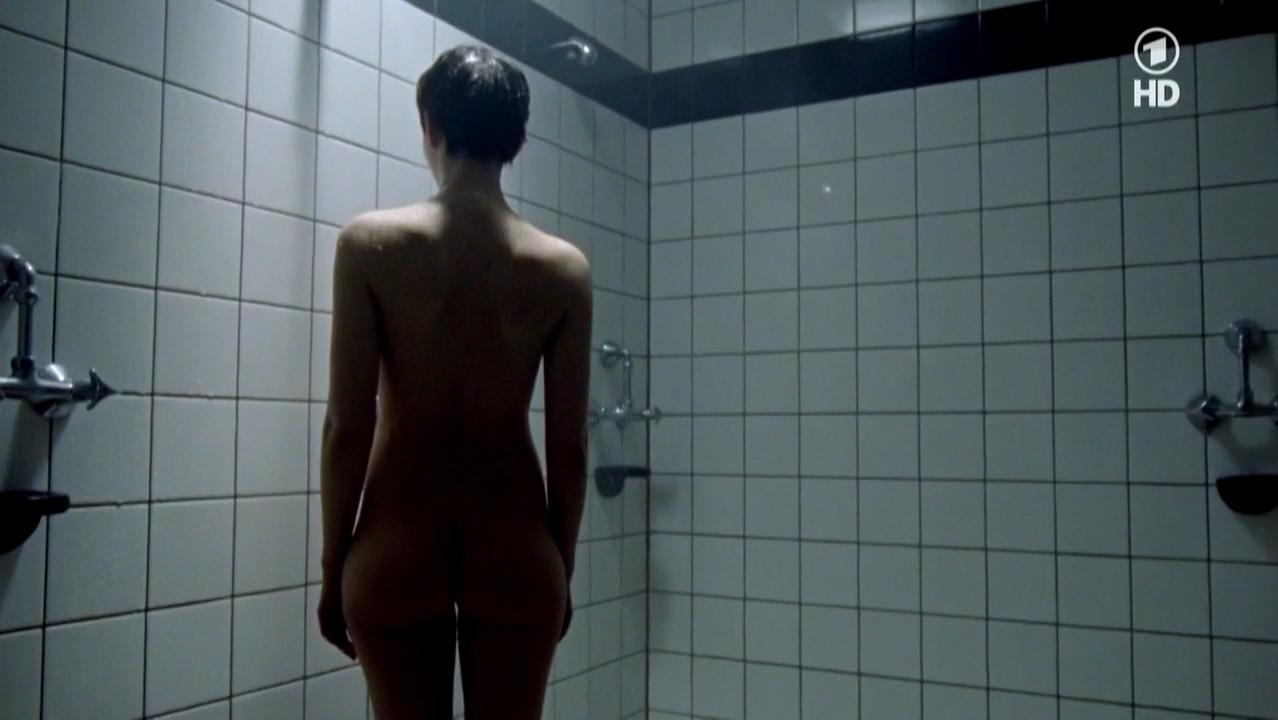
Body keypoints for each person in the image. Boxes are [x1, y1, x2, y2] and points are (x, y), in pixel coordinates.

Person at [316, 45, 592, 719]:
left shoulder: (368, 247)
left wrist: (333, 567)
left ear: (431, 127)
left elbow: (348, 429)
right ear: (517, 140)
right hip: (516, 546)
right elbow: (570, 447)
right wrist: (561, 566)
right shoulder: (563, 270)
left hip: (396, 544)